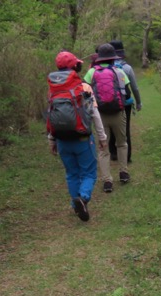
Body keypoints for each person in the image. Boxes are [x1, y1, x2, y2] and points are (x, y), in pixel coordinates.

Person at [47, 51, 108, 221]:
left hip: (61, 139)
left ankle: (77, 205)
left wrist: (51, 140)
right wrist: (102, 137)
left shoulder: (53, 90)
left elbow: (51, 116)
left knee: (72, 173)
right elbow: (94, 114)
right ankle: (83, 198)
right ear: (76, 66)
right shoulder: (84, 87)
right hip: (82, 139)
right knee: (89, 173)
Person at [83, 43, 129, 193]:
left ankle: (107, 181)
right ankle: (123, 172)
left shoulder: (91, 73)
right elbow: (127, 94)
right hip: (118, 113)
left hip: (100, 115)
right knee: (121, 144)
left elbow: (84, 94)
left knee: (103, 148)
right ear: (112, 59)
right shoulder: (119, 72)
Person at [109, 40, 142, 164]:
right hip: (125, 103)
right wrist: (138, 102)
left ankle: (113, 153)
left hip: (108, 102)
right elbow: (134, 87)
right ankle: (127, 156)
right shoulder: (127, 68)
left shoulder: (102, 69)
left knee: (111, 126)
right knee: (125, 128)